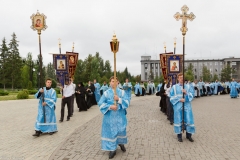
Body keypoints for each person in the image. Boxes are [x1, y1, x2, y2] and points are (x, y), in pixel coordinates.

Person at [98, 76, 129, 159]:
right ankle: (112, 149)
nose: (114, 83)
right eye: (112, 81)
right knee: (111, 132)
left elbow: (127, 102)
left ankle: (121, 143)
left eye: (115, 81)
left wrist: (119, 99)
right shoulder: (106, 93)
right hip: (110, 118)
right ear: (109, 82)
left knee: (120, 130)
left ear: (118, 82)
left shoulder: (122, 93)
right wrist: (110, 106)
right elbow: (100, 103)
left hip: (120, 117)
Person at [170, 73, 195, 142]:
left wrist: (186, 93)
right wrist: (179, 99)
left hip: (187, 106)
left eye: (183, 77)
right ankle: (179, 136)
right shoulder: (174, 87)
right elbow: (171, 97)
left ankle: (189, 135)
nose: (182, 79)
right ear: (178, 79)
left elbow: (192, 95)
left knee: (189, 120)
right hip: (178, 106)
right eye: (180, 77)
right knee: (178, 120)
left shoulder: (189, 86)